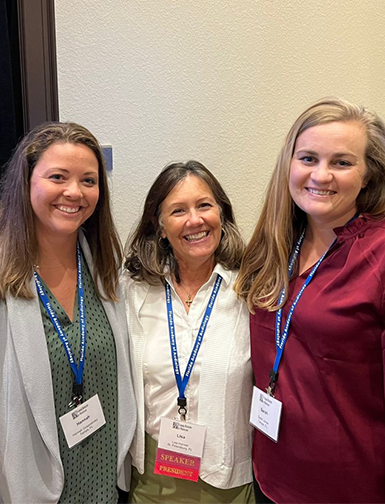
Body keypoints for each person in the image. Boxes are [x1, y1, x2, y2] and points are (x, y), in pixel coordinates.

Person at [236, 97, 385, 503]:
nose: (321, 175)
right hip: (271, 478)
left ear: (369, 174)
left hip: (351, 489)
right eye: (308, 158)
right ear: (289, 164)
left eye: (342, 162)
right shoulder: (275, 246)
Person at [0, 122, 136, 503]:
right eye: (58, 177)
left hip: (105, 488)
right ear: (25, 183)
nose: (74, 191)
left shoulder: (105, 271)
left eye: (89, 180)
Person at [122, 161, 255, 503]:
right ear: (160, 226)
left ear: (221, 215)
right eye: (178, 210)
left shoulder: (252, 290)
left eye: (204, 205)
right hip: (152, 478)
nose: (195, 220)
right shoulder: (133, 291)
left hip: (228, 477)